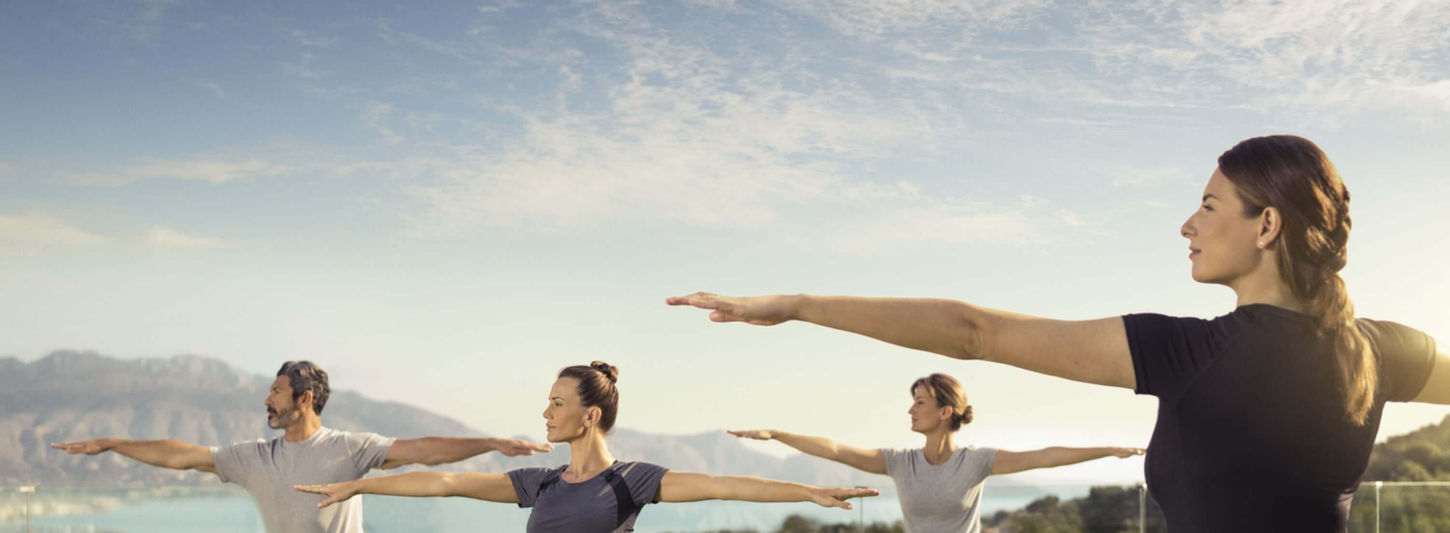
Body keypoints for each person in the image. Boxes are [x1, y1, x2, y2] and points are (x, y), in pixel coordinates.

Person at [667, 135, 1449, 532]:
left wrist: (800, 302)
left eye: (1210, 205)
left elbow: (972, 332)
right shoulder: (1381, 350)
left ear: (1268, 224)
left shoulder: (1195, 354)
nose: (1187, 223)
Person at [295, 361, 878, 533]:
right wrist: (360, 484)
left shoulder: (632, 482)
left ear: (589, 415)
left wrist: (809, 491)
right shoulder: (540, 483)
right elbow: (443, 482)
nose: (545, 414)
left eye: (556, 404)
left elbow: (727, 485)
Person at [51, 360, 551, 533]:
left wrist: (490, 442)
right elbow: (181, 454)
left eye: (275, 392)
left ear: (304, 399)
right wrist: (113, 443)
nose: (265, 400)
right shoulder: (252, 456)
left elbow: (425, 450)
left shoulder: (352, 448)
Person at [730, 373, 1143, 533]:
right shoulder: (898, 462)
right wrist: (778, 434)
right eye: (912, 401)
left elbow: (1045, 456)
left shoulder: (977, 461)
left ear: (945, 412)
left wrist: (1106, 449)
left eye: (920, 402)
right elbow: (837, 450)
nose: (911, 409)